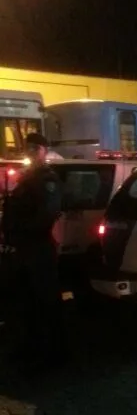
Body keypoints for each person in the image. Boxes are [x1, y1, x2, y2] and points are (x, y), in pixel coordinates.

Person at [0, 133, 64, 372]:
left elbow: (46, 214)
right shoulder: (28, 178)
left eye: (34, 148)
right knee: (25, 301)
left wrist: (20, 230)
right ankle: (30, 347)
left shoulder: (48, 179)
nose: (29, 152)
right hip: (23, 248)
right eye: (27, 148)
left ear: (43, 151)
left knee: (46, 302)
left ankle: (54, 353)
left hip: (38, 247)